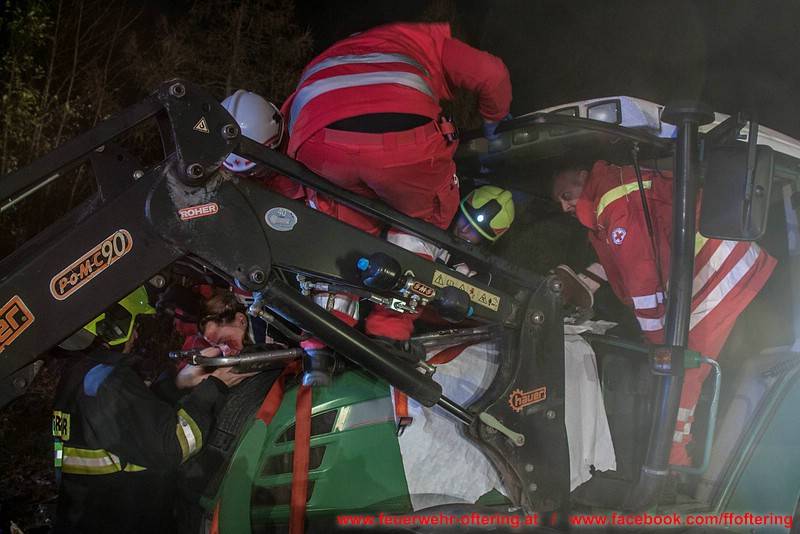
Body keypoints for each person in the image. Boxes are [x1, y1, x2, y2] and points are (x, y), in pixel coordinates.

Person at [281, 22, 512, 344]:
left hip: (318, 145)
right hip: (401, 143)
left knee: (343, 227)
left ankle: (323, 336)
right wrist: (494, 122)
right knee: (423, 221)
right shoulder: (423, 41)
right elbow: (492, 73)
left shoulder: (328, 57)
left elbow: (289, 121)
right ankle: (389, 331)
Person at [551, 159, 777, 465]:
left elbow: (641, 277)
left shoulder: (613, 204)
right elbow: (627, 252)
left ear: (583, 175)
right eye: (560, 203)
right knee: (675, 360)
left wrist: (658, 342)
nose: (565, 206)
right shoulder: (611, 195)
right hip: (710, 267)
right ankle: (671, 457)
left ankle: (672, 466)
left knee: (681, 366)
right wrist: (587, 282)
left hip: (719, 268)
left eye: (566, 195)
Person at [52, 287, 251, 534]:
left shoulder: (81, 376)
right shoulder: (109, 384)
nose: (136, 334)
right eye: (134, 324)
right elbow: (175, 445)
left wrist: (179, 383)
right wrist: (214, 387)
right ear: (114, 325)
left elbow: (139, 418)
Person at [221, 89, 305, 200]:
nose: (251, 176)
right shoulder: (223, 167)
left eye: (255, 169)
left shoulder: (304, 153)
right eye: (246, 172)